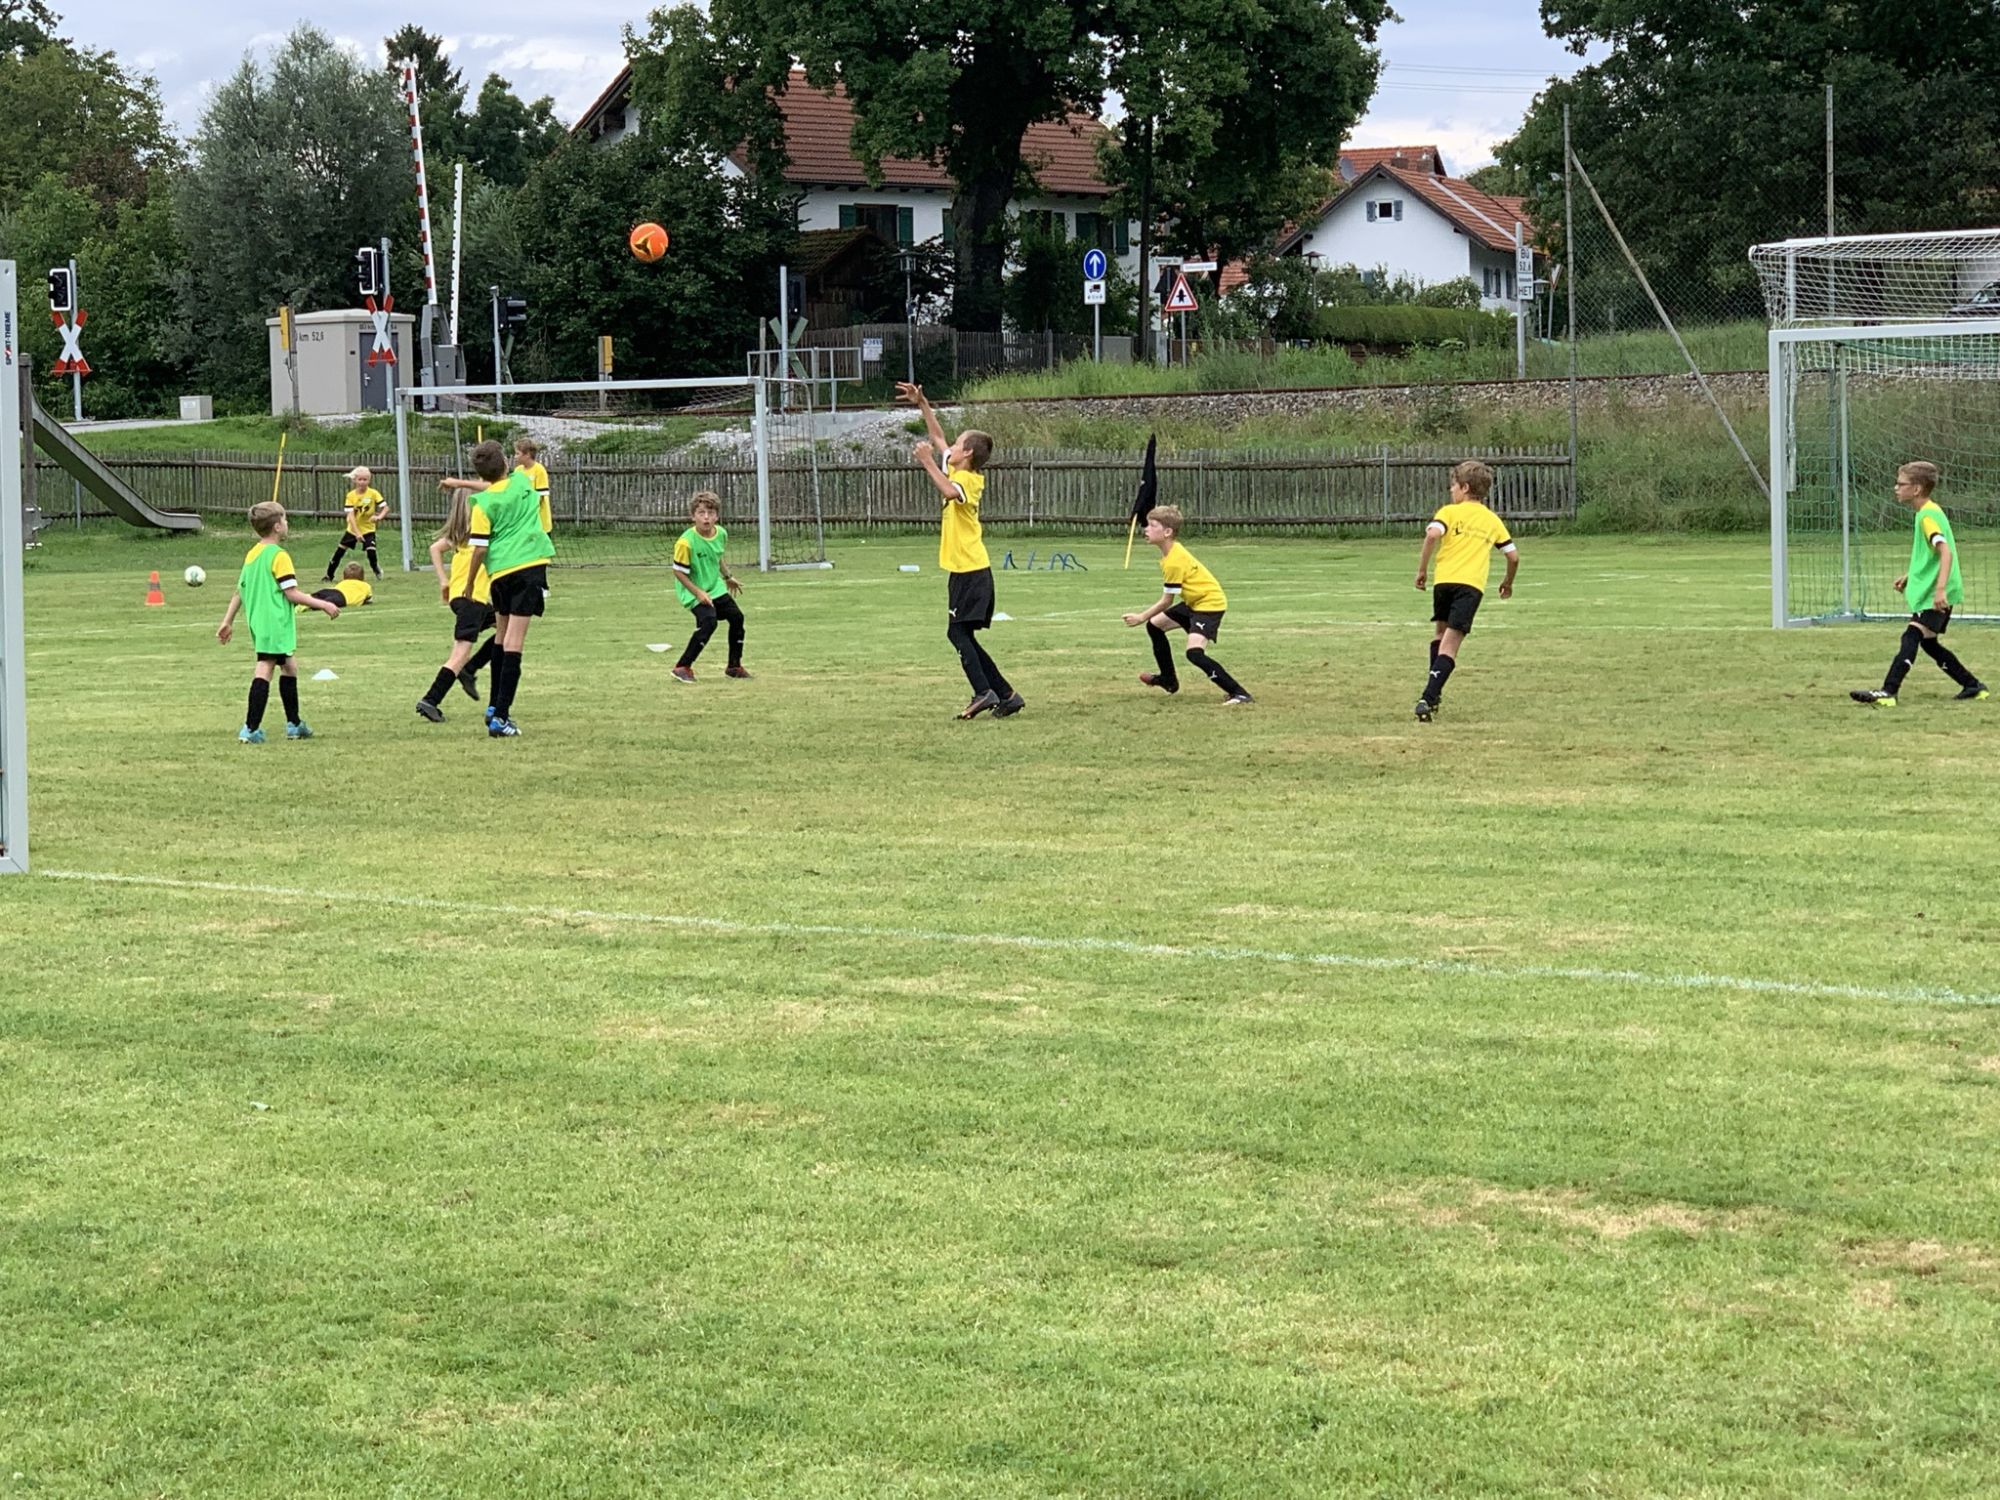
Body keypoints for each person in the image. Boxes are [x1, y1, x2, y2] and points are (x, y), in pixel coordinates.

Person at [896, 380, 1023, 719]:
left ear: (967, 453)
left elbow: (951, 492)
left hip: (971, 570)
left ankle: (983, 692)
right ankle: (1007, 695)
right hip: (966, 569)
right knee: (963, 634)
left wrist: (927, 462)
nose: (949, 446)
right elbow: (938, 437)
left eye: (957, 444)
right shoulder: (957, 467)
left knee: (957, 632)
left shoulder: (967, 480)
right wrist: (922, 403)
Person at [1851, 461, 1988, 707]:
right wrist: (1910, 575)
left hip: (1935, 594)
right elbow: (1932, 555)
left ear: (1916, 489)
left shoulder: (1927, 517)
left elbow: (1945, 552)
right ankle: (1972, 685)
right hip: (1935, 590)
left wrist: (1940, 590)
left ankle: (1888, 691)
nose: (1896, 488)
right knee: (1928, 643)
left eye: (1901, 484)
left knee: (1911, 636)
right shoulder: (1929, 512)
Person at [442, 440, 551, 737]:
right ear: (505, 463)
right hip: (529, 566)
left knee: (501, 637)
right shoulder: (522, 482)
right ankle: (501, 717)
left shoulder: (482, 504)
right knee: (514, 642)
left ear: (481, 474)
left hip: (499, 573)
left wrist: (467, 583)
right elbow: (499, 484)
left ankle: (493, 707)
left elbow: (479, 549)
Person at [217, 501, 340, 743]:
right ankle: (250, 728)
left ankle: (294, 724)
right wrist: (323, 604)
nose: (287, 523)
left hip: (260, 622)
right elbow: (291, 593)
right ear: (276, 526)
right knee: (265, 667)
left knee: (289, 666)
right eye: (284, 519)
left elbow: (239, 591)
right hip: (274, 621)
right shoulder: (279, 556)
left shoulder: (253, 553)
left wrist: (227, 621)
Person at [1413, 459, 1519, 722]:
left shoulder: (1449, 512)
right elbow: (1513, 556)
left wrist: (1422, 570)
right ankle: (1428, 697)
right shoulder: (1491, 520)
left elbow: (1432, 535)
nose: (1451, 490)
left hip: (1444, 582)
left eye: (1454, 485)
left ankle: (1434, 694)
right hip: (1470, 586)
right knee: (1451, 645)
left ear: (1465, 487)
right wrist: (1508, 581)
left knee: (1440, 635)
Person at [1122, 504, 1253, 705]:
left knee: (1194, 654)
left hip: (1209, 605)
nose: (1146, 529)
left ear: (1167, 532)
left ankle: (1239, 693)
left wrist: (1141, 616)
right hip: (1195, 602)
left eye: (1152, 525)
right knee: (1155, 626)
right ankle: (1168, 680)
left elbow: (1167, 601)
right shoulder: (1171, 552)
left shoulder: (1174, 561)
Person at [415, 490, 501, 723]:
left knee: (506, 626)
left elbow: (434, 548)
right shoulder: (482, 533)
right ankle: (431, 700)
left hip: (463, 598)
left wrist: (444, 580)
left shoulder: (461, 535)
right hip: (471, 600)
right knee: (459, 655)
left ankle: (470, 670)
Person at [669, 491, 750, 683]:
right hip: (692, 590)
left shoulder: (721, 534)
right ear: (693, 516)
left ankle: (734, 666)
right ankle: (682, 667)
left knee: (737, 618)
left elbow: (717, 556)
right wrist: (698, 593)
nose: (706, 517)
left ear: (717, 516)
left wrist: (728, 577)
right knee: (709, 621)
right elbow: (678, 572)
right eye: (701, 513)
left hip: (715, 587)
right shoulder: (685, 543)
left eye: (710, 513)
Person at [324, 466, 387, 580]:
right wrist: (357, 533)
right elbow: (351, 516)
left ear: (369, 480)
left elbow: (385, 508)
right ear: (355, 480)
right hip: (353, 529)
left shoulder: (373, 493)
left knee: (371, 552)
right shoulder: (351, 496)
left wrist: (379, 517)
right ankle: (329, 575)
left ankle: (376, 569)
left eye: (365, 479)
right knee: (339, 552)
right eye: (360, 479)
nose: (362, 482)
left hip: (368, 529)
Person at [514, 436, 553, 538]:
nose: (515, 456)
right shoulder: (517, 471)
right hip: (522, 522)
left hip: (539, 522)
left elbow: (540, 497)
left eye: (517, 453)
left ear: (527, 454)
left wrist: (528, 511)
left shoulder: (539, 470)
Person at [304, 562, 373, 612]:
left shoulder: (343, 582)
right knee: (327, 602)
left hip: (332, 591)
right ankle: (310, 606)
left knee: (318, 595)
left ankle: (303, 600)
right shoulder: (365, 585)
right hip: (343, 598)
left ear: (344, 576)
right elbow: (369, 599)